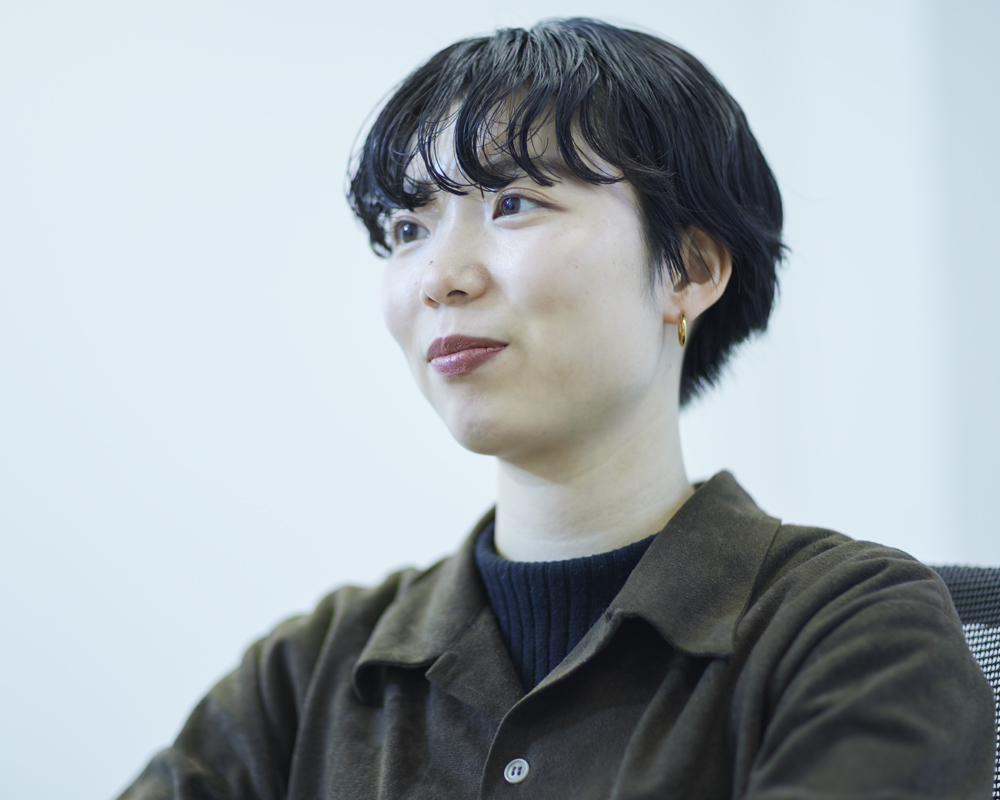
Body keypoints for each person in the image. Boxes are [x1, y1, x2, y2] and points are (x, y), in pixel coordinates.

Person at [118, 17, 994, 799]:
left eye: (514, 203)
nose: (439, 277)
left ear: (690, 270)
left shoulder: (856, 632)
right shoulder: (304, 675)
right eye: (408, 229)